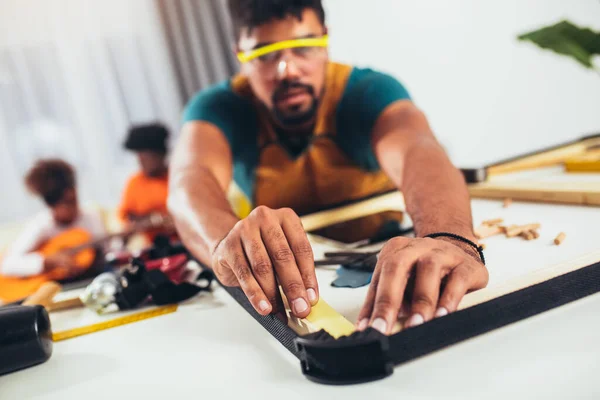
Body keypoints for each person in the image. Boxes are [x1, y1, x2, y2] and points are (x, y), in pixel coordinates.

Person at [168, 0, 488, 335]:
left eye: (304, 47)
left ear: (325, 40)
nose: (287, 71)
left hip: (385, 254)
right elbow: (188, 182)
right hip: (287, 276)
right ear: (239, 56)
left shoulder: (368, 90)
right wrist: (223, 244)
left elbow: (419, 152)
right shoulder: (219, 108)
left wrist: (451, 240)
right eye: (265, 54)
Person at [0, 159, 107, 301]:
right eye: (66, 203)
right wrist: (48, 261)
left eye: (74, 200)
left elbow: (109, 252)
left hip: (87, 283)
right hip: (53, 291)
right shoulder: (41, 225)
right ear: (51, 205)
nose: (73, 207)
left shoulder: (91, 217)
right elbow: (7, 265)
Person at [118, 123, 171, 242]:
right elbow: (127, 219)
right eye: (139, 156)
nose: (141, 161)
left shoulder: (177, 177)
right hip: (154, 246)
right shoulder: (134, 183)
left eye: (146, 157)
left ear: (160, 154)